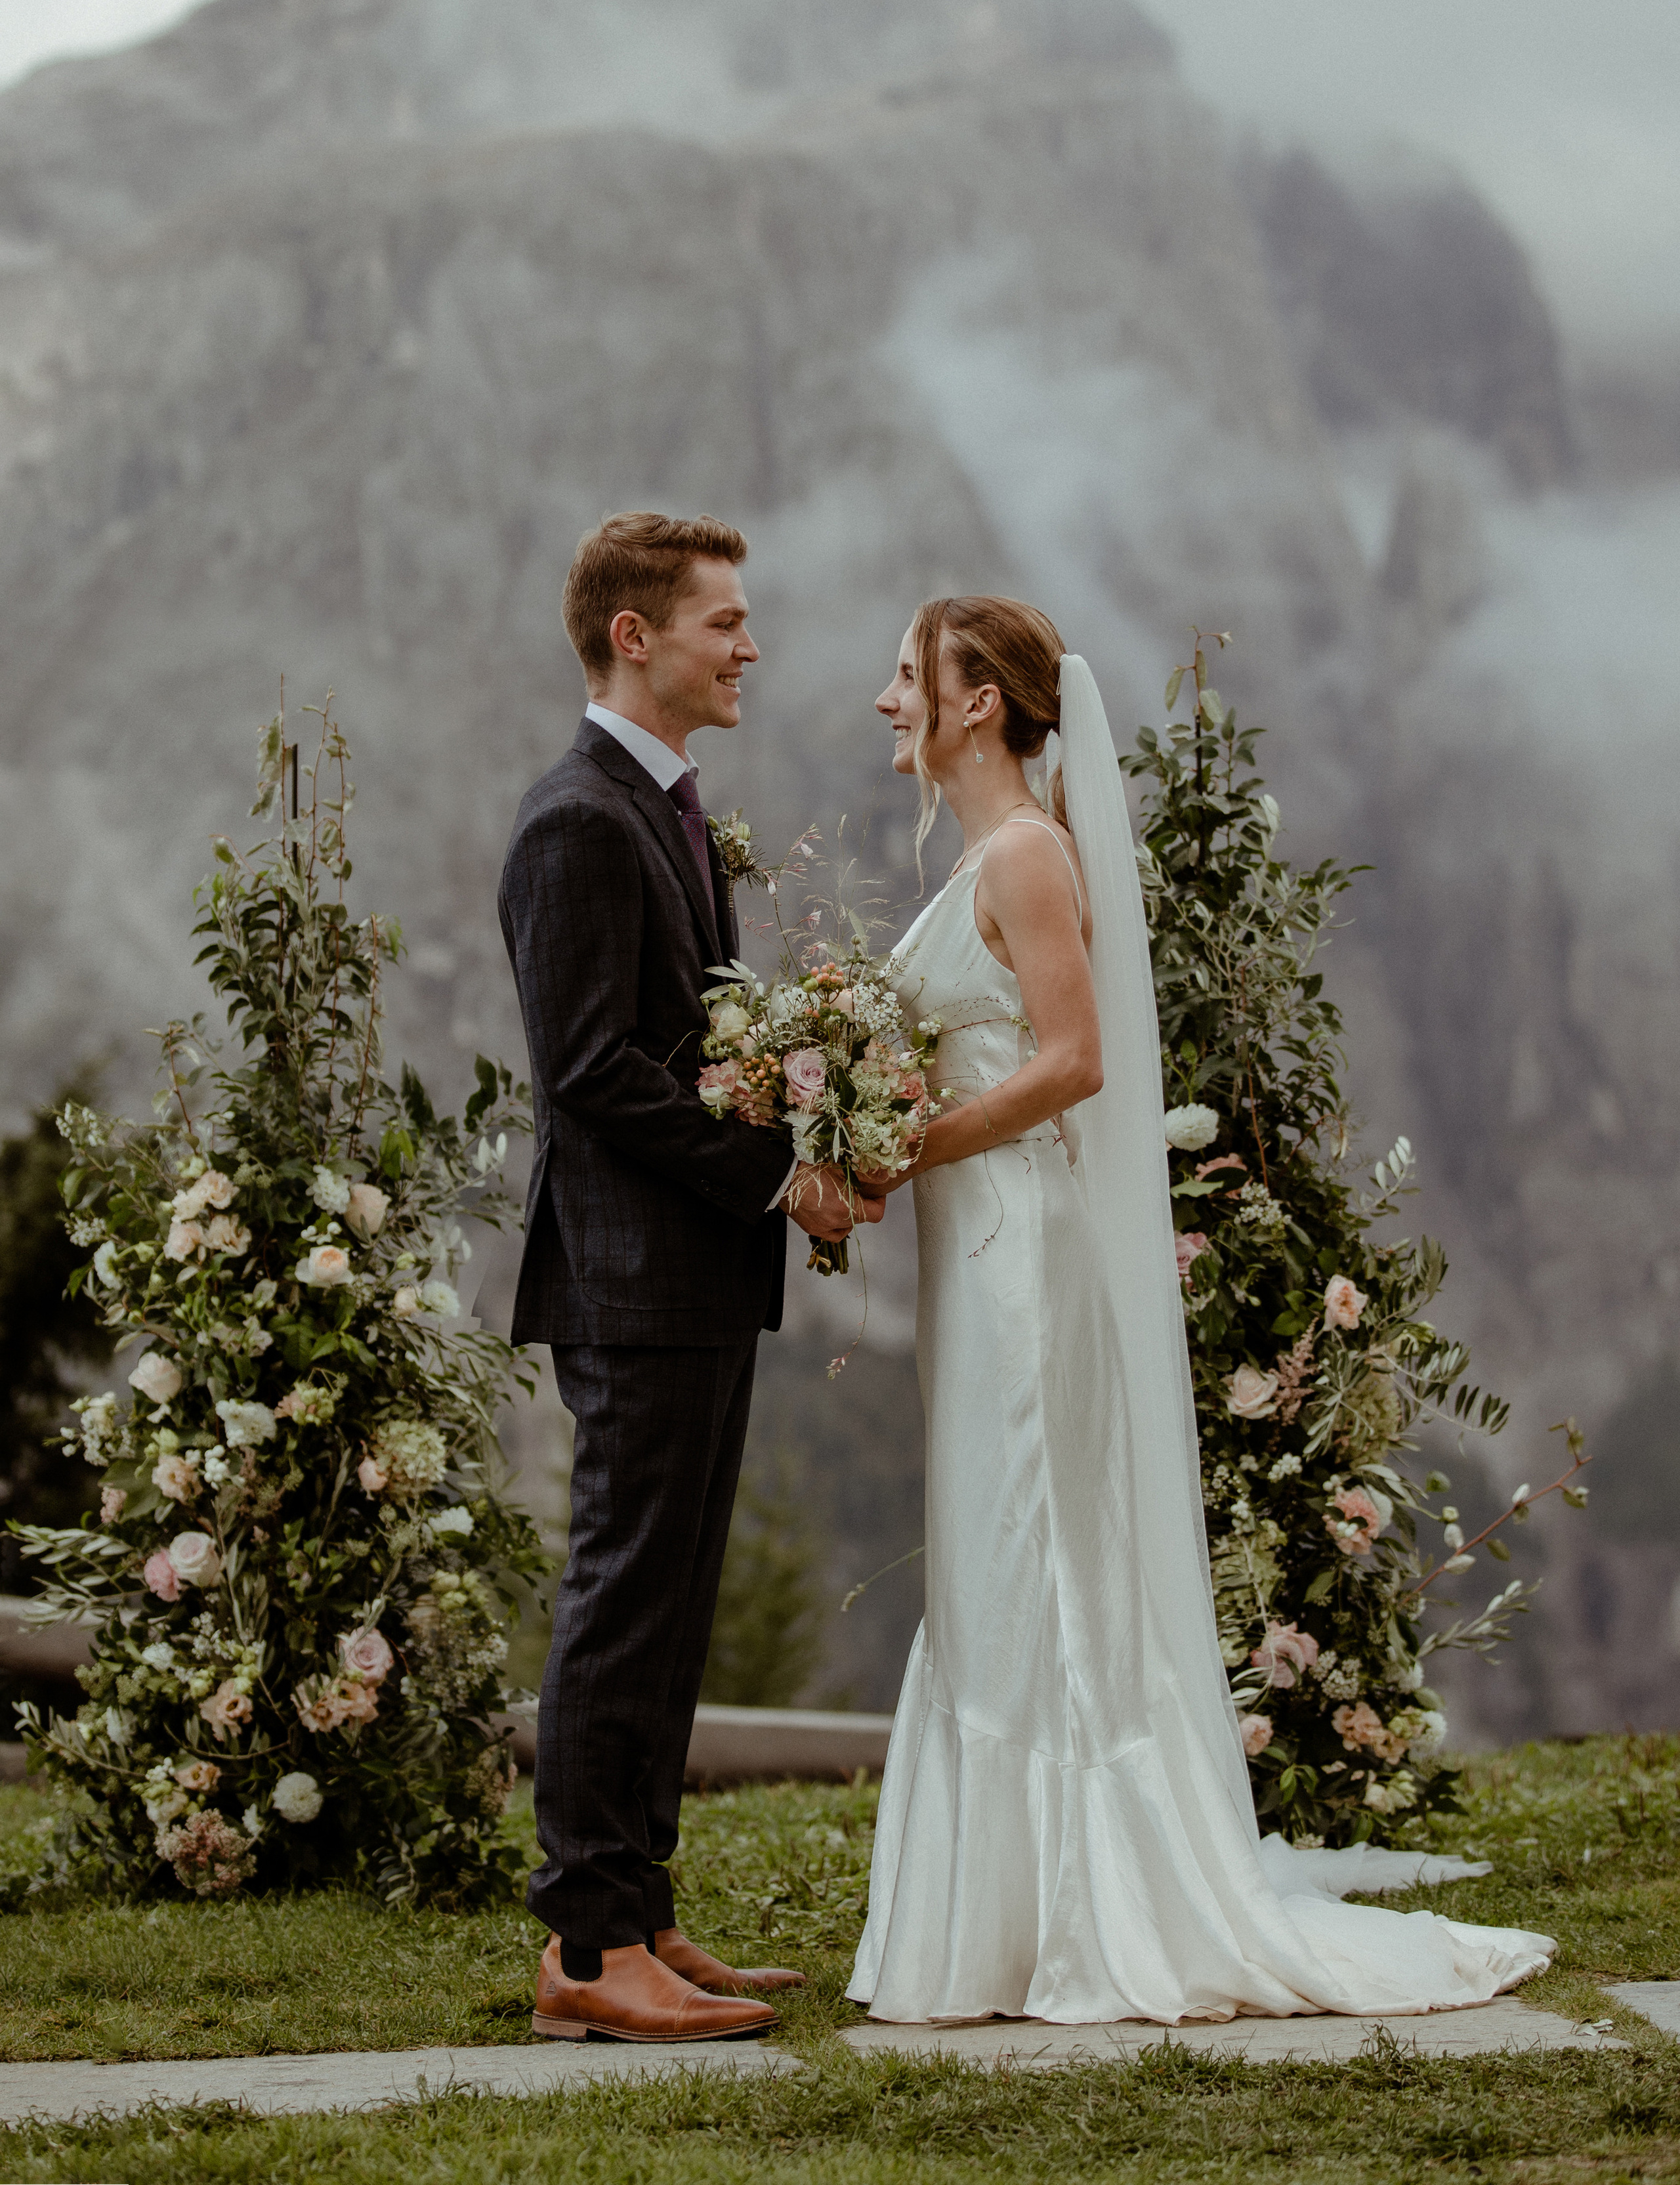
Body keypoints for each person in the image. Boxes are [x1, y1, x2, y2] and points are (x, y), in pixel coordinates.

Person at [847, 595, 1552, 2024]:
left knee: (1024, 1541)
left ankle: (1071, 1914)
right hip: (971, 1254)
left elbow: (1073, 1062)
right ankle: (999, 1922)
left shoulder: (1029, 853)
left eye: (906, 677)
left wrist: (897, 1144)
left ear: (979, 701)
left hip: (1018, 1257)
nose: (884, 701)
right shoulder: (989, 851)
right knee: (990, 1554)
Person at [498, 510, 881, 2044]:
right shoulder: (575, 819)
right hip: (633, 1277)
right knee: (620, 1595)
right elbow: (590, 1069)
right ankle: (586, 1955)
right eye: (724, 621)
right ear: (633, 636)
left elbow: (681, 1042)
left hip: (692, 1278)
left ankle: (642, 1910)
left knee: (667, 1603)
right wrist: (780, 1170)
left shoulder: (660, 806)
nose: (751, 645)